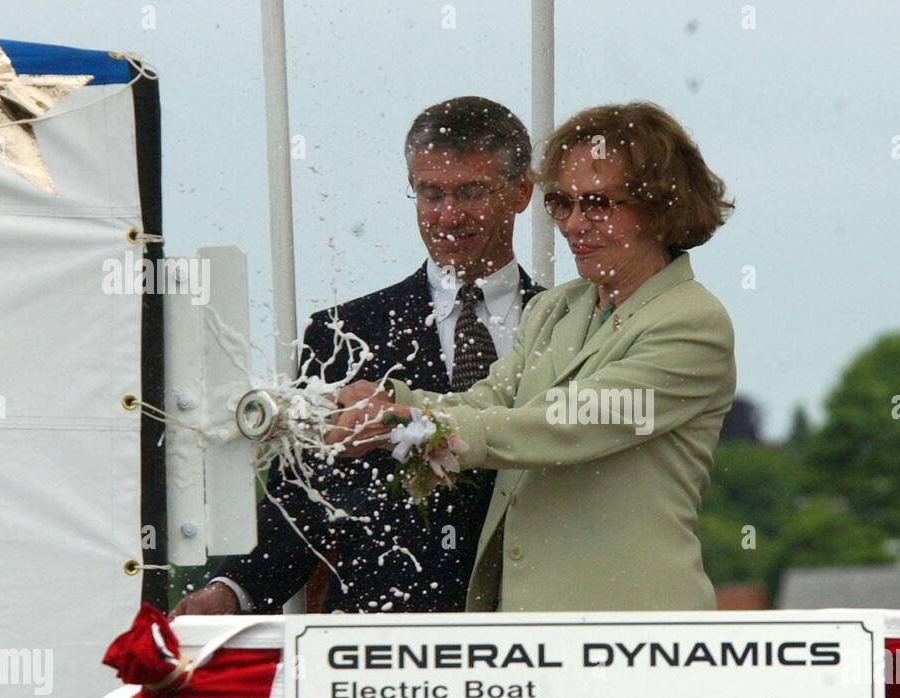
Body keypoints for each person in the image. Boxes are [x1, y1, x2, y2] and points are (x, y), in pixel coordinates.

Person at [330, 102, 736, 612]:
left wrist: (414, 424)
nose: (573, 224)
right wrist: (386, 398)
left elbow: (564, 423)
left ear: (660, 207)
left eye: (597, 204)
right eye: (561, 203)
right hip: (526, 633)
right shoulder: (556, 308)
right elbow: (488, 400)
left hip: (635, 634)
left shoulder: (692, 321)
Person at [170, 97, 542, 618]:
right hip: (382, 649)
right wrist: (232, 591)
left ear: (521, 191)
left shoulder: (572, 326)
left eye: (471, 192)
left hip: (539, 637)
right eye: (431, 194)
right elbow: (302, 500)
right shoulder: (344, 334)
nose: (449, 216)